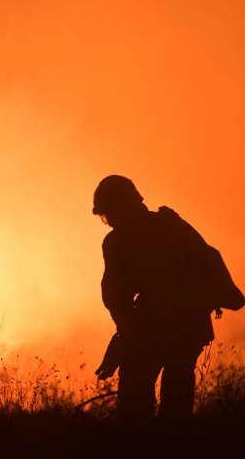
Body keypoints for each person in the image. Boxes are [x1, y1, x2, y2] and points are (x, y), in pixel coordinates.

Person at [92, 175, 244, 423]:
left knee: (136, 400)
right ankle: (173, 442)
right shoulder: (170, 225)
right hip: (188, 323)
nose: (108, 223)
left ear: (120, 208)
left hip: (167, 323)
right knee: (177, 397)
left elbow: (114, 294)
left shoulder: (118, 241)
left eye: (107, 214)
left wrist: (127, 332)